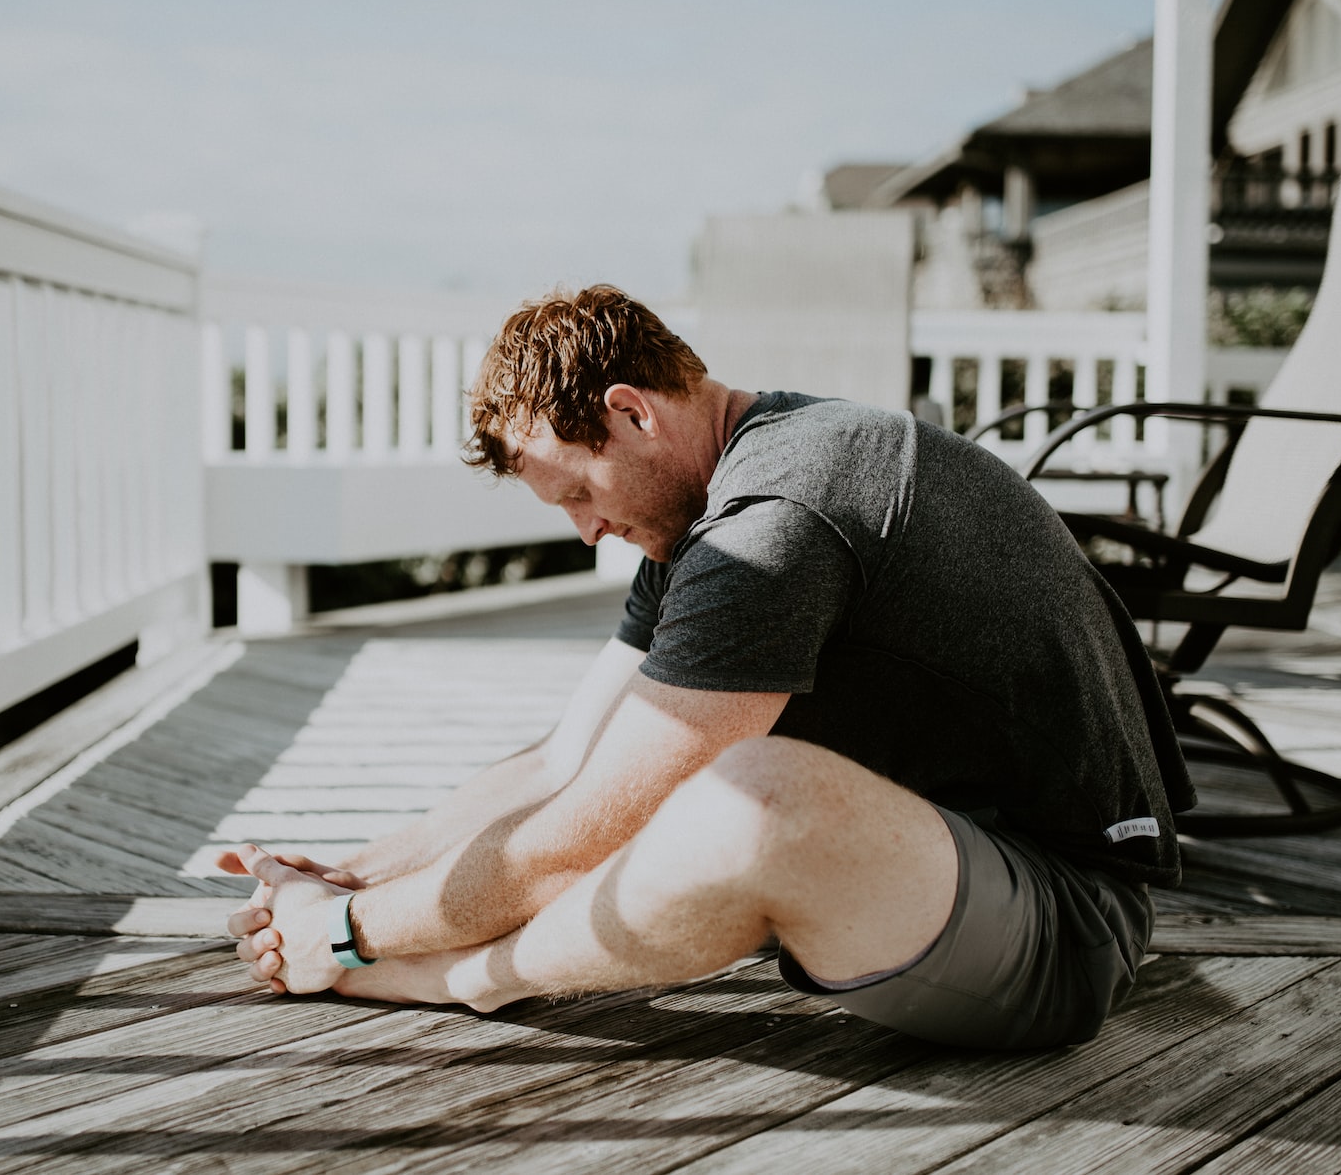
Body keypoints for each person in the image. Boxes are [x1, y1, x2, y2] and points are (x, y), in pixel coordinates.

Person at [221, 284, 1193, 1050]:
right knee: (665, 781)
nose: (586, 529)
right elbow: (565, 762)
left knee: (745, 801)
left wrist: (355, 937)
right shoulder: (708, 510)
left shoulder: (774, 523)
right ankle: (413, 951)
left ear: (631, 412)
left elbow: (576, 836)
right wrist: (351, 874)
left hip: (1065, 919)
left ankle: (462, 980)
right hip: (930, 862)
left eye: (577, 492)